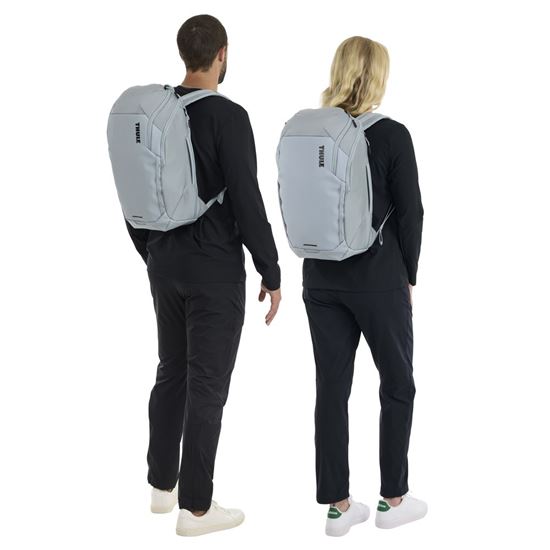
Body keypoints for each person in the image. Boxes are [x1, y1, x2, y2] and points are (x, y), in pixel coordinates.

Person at [124, 14, 282, 537]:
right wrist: (270, 270)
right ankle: (196, 508)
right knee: (207, 385)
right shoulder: (229, 117)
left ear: (183, 54)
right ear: (222, 54)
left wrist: (152, 252)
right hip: (214, 271)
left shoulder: (156, 113)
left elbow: (134, 188)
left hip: (164, 265)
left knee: (172, 370)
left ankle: (160, 486)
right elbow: (247, 199)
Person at [300, 36, 427, 536]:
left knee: (331, 389)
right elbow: (411, 213)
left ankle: (338, 507)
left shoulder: (309, 131)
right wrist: (409, 273)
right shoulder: (392, 135)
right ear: (377, 77)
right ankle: (393, 500)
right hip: (378, 279)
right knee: (397, 383)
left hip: (320, 276)